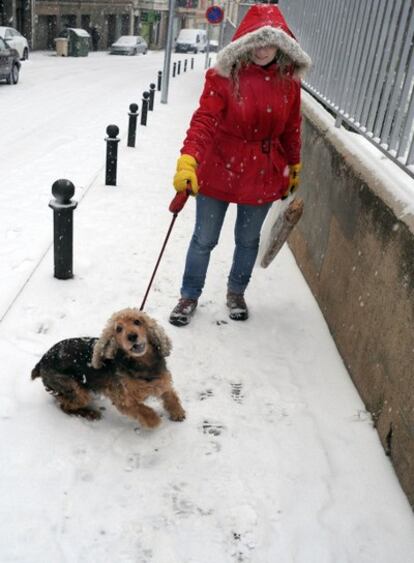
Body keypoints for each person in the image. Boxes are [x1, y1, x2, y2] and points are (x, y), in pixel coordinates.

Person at [169, 3, 311, 327]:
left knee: (247, 240)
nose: (262, 49)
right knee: (204, 238)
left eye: (270, 41)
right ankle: (189, 295)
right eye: (256, 40)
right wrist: (188, 159)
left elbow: (291, 128)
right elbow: (204, 120)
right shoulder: (223, 76)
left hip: (262, 172)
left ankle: (236, 292)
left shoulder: (289, 82)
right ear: (244, 41)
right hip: (219, 165)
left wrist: (295, 165)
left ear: (282, 44)